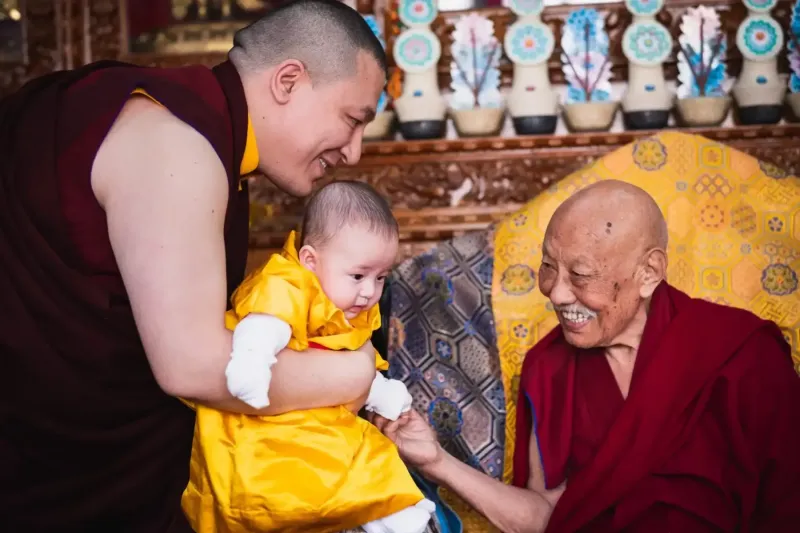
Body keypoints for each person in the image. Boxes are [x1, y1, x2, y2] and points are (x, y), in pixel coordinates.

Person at [0, 1, 386, 531]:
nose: (355, 151)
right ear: (289, 80)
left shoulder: (202, 132)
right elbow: (194, 364)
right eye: (352, 119)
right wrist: (355, 373)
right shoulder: (177, 142)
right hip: (52, 477)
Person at [372, 180, 800, 533]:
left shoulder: (741, 352)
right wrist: (437, 462)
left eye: (580, 275)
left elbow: (788, 508)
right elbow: (547, 519)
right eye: (548, 268)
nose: (556, 293)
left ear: (648, 273)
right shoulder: (549, 367)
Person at [184, 181, 434, 533]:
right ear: (310, 261)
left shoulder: (346, 305)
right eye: (359, 275)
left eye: (381, 278)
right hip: (265, 427)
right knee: (300, 483)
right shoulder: (286, 283)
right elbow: (263, 324)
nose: (369, 292)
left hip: (322, 420)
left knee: (374, 464)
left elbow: (349, 355)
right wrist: (252, 361)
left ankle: (400, 517)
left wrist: (380, 392)